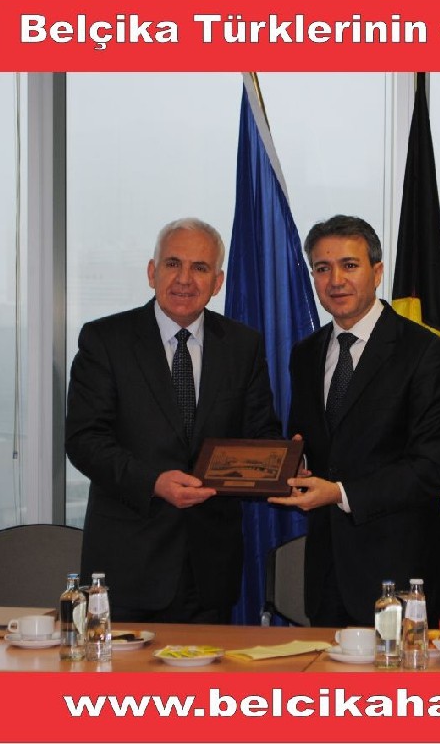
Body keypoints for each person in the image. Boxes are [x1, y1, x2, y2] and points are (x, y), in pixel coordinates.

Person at [65, 218, 281, 624]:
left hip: (209, 570)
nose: (184, 279)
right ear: (152, 272)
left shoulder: (242, 345)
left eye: (200, 268)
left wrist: (283, 463)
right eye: (172, 264)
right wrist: (153, 482)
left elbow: (259, 432)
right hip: (128, 565)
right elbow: (84, 440)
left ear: (217, 282)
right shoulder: (105, 340)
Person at [268, 215, 440, 627]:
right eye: (322, 268)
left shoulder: (425, 352)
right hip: (327, 573)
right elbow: (308, 442)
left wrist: (338, 492)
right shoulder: (305, 354)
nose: (335, 280)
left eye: (349, 265)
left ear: (377, 271)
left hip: (400, 573)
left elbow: (430, 469)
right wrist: (297, 468)